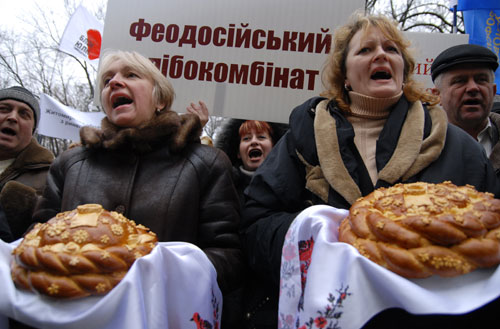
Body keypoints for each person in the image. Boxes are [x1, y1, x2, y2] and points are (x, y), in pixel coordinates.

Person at [241, 12, 500, 328]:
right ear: (344, 75)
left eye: (391, 50)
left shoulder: (460, 147)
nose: (381, 54)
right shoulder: (301, 139)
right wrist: (327, 242)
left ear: (403, 69)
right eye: (365, 50)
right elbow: (256, 225)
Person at [31, 50, 243, 327]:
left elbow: (229, 255)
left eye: (130, 75)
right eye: (107, 80)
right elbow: (35, 240)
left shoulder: (205, 163)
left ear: (161, 99)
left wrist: (159, 272)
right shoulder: (70, 164)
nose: (114, 83)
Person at [215, 118, 287, 329]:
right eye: (247, 138)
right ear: (237, 152)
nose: (254, 142)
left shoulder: (292, 191)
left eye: (261, 137)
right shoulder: (222, 189)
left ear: (275, 147)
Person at [431, 44, 500, 173]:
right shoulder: (417, 148)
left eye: (481, 80)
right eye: (460, 81)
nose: (473, 88)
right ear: (437, 95)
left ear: (493, 90)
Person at [0, 86, 54, 242]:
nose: (12, 117)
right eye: (4, 109)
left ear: (33, 131)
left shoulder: (53, 178)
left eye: (24, 114)